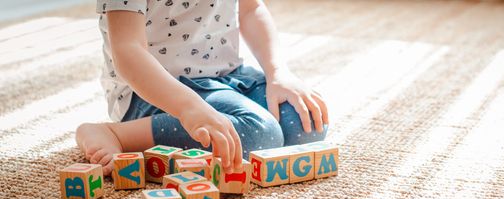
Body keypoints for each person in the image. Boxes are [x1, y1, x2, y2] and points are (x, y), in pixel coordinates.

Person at [76, 0, 329, 176]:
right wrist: (189, 108)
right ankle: (118, 134)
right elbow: (128, 51)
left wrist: (278, 73)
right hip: (158, 91)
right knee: (262, 135)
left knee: (304, 122)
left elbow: (251, 10)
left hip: (227, 78)